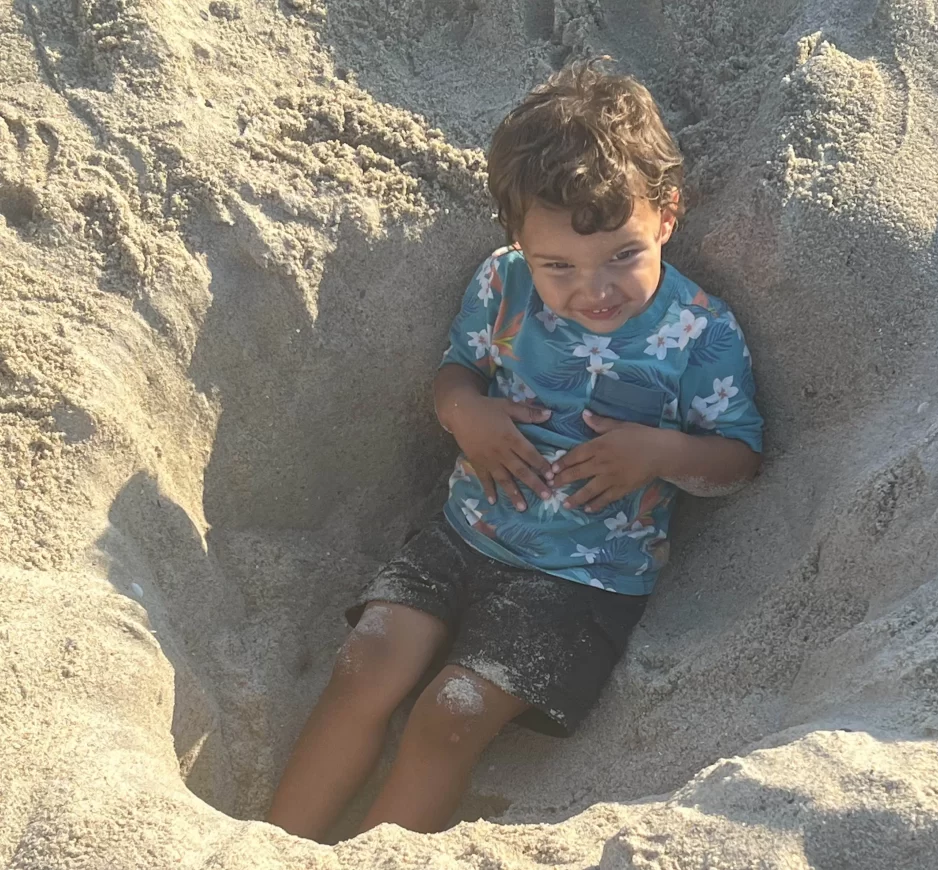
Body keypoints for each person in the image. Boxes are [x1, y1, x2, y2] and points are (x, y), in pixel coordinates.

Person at [266, 59, 764, 840]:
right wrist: (465, 412)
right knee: (366, 661)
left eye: (622, 256)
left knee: (450, 713)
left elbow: (738, 458)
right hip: (464, 530)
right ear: (518, 238)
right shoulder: (503, 283)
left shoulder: (701, 333)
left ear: (667, 215)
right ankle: (272, 846)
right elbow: (456, 371)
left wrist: (658, 453)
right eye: (557, 265)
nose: (591, 289)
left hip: (583, 577)